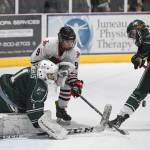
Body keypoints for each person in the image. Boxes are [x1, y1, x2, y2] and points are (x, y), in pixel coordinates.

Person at [30, 26, 83, 124]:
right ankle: (34, 108)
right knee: (39, 86)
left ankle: (61, 108)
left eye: (72, 41)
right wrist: (51, 67)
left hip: (60, 71)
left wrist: (75, 85)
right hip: (43, 70)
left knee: (67, 84)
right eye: (67, 41)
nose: (70, 44)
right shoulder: (48, 43)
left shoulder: (76, 52)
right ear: (61, 39)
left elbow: (72, 73)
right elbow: (34, 61)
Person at [109, 19, 150, 128]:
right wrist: (139, 58)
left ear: (139, 29)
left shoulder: (147, 39)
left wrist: (139, 58)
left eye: (133, 33)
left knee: (139, 93)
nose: (133, 37)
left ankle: (120, 118)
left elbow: (143, 51)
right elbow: (143, 53)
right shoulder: (147, 36)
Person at [0, 60, 59, 128]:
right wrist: (41, 124)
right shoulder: (39, 85)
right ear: (42, 72)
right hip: (5, 101)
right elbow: (34, 108)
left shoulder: (31, 70)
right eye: (50, 75)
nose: (53, 78)